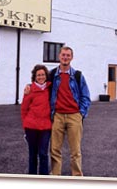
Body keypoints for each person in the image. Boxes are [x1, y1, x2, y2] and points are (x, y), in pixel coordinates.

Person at [25, 46, 91, 176]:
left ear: (71, 57)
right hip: (57, 116)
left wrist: (81, 113)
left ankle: (77, 175)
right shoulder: (52, 75)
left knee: (75, 150)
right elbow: (40, 84)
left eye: (68, 55)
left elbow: (86, 96)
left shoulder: (78, 75)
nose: (65, 57)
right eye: (63, 55)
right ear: (59, 56)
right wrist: (29, 86)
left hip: (74, 116)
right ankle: (56, 175)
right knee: (55, 149)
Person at [21, 64, 52, 175]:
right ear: (34, 77)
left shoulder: (50, 88)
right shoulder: (29, 90)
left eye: (43, 74)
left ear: (46, 76)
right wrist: (25, 125)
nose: (41, 77)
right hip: (31, 127)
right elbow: (24, 109)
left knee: (43, 153)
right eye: (38, 75)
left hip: (46, 127)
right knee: (32, 154)